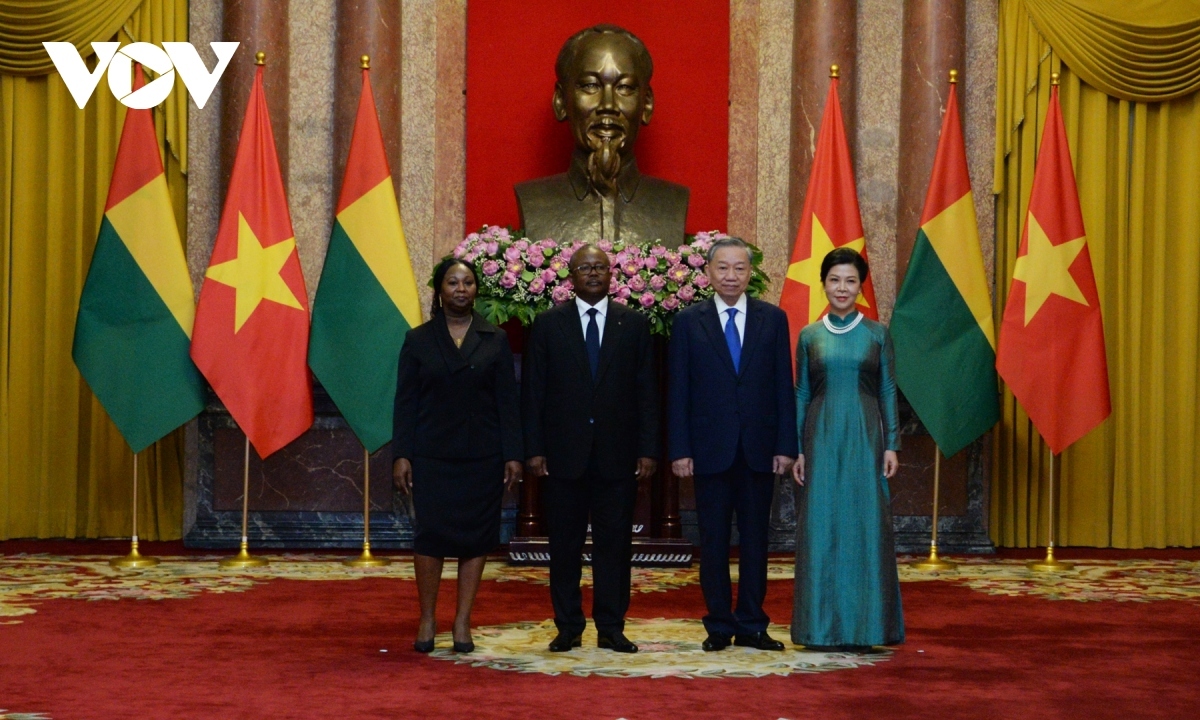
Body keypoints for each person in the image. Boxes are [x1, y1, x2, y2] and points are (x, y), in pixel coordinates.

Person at [522, 244, 659, 653]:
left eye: (600, 267)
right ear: (571, 276)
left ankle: (611, 626)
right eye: (585, 268)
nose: (594, 273)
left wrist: (649, 449)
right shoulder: (548, 324)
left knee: (614, 546)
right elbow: (533, 392)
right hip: (563, 456)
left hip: (618, 456)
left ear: (612, 273)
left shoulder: (633, 324)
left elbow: (647, 391)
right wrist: (534, 449)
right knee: (563, 545)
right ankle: (567, 625)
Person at [667, 237, 796, 652]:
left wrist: (785, 445)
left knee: (757, 541)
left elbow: (782, 387)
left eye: (739, 268)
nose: (731, 276)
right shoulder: (689, 321)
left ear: (750, 273)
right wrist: (680, 448)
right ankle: (720, 625)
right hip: (708, 451)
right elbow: (678, 389)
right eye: (723, 268)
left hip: (760, 451)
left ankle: (754, 624)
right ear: (708, 272)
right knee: (714, 542)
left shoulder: (773, 320)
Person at [392, 258, 523, 654]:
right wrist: (402, 454)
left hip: (483, 456)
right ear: (439, 289)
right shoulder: (417, 340)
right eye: (453, 282)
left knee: (476, 539)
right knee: (430, 538)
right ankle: (428, 618)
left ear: (475, 290)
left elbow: (508, 402)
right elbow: (405, 402)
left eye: (468, 282)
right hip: (431, 455)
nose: (461, 289)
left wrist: (513, 454)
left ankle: (463, 621)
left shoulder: (495, 338)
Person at [791, 247, 904, 651]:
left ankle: (868, 627)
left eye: (850, 281)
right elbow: (802, 391)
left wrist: (892, 443)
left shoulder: (877, 333)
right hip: (818, 439)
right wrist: (797, 448)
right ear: (823, 283)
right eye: (835, 280)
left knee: (865, 527)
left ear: (861, 287)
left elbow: (889, 390)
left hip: (864, 438)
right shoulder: (809, 335)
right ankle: (818, 629)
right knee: (821, 527)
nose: (842, 288)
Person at [515, 24, 689, 245]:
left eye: (624, 88)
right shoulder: (534, 200)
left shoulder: (672, 202)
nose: (608, 105)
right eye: (590, 86)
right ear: (560, 101)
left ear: (646, 104)